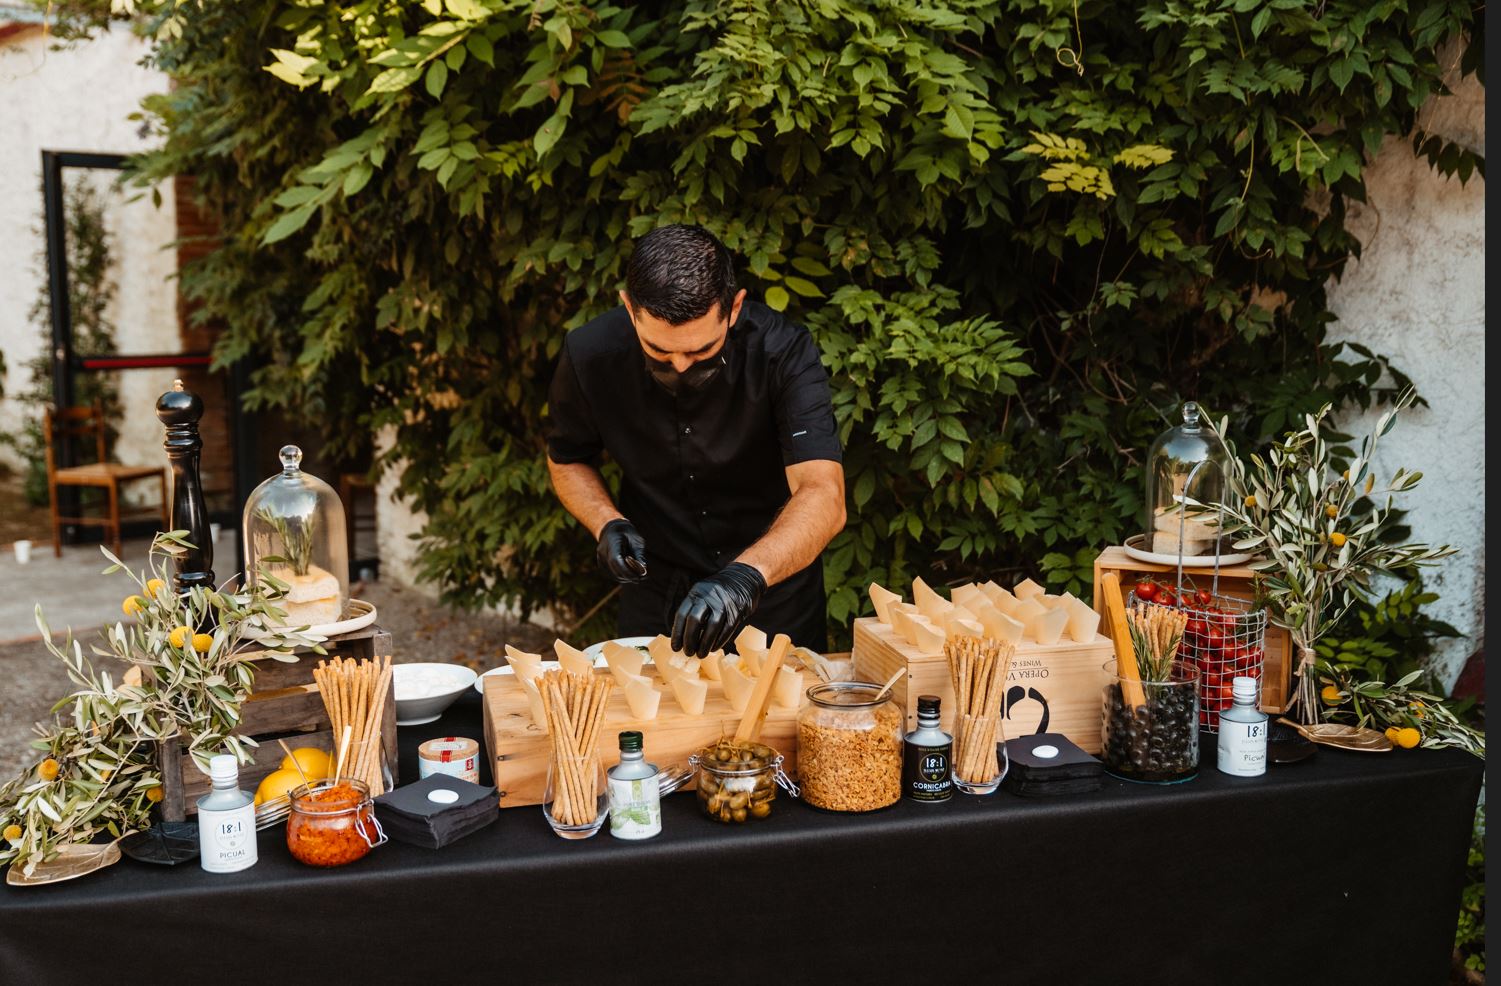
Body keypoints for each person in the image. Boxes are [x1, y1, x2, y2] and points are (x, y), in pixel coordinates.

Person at [546, 224, 846, 657]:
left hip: (770, 588)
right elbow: (568, 458)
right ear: (630, 308)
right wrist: (605, 522)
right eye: (660, 351)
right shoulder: (589, 354)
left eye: (702, 351)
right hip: (655, 590)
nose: (682, 367)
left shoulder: (784, 352)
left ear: (735, 307)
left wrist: (745, 576)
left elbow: (824, 492)